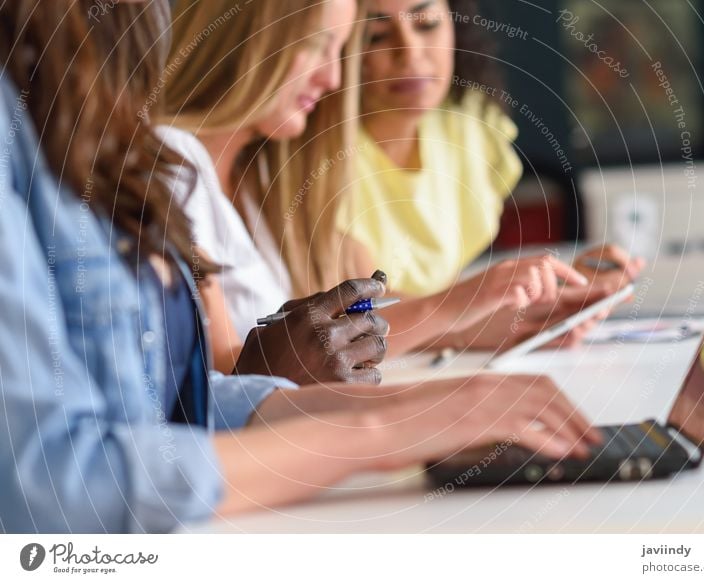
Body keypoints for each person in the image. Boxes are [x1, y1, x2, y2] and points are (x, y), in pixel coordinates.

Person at [0, 0, 600, 534]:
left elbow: (179, 403)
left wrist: (419, 399)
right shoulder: (154, 157)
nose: (338, 78)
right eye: (325, 47)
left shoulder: (233, 168)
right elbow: (57, 486)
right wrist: (378, 431)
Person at [162, 0, 616, 363]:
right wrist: (451, 310)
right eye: (320, 46)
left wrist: (511, 319)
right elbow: (228, 377)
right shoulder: (171, 170)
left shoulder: (255, 173)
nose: (333, 77)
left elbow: (338, 328)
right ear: (249, 39)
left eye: (339, 51)